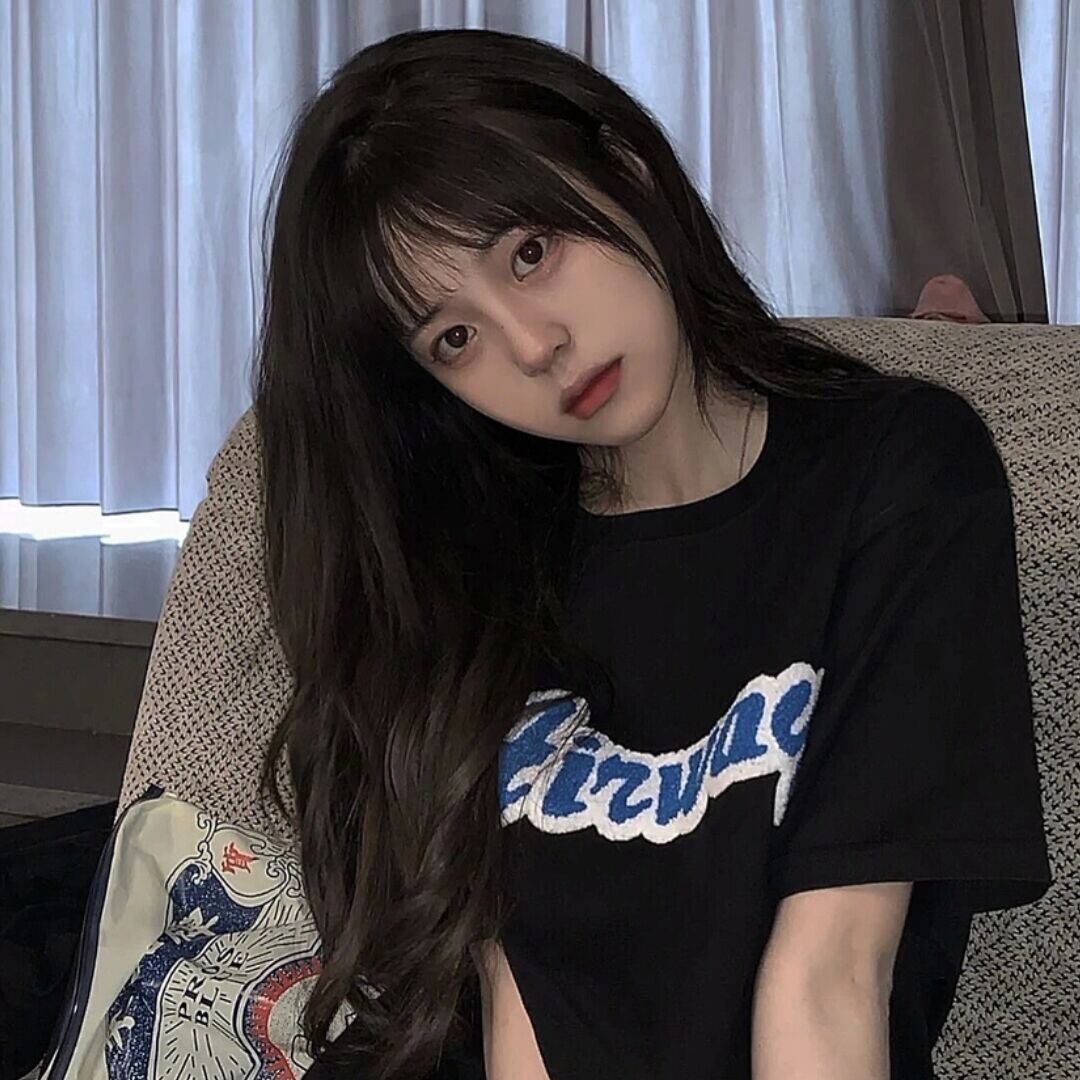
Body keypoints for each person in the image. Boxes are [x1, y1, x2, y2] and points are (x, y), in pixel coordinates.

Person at [246, 27, 1050, 1080]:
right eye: (455, 339)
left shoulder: (898, 477)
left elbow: (831, 974)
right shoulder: (472, 567)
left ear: (623, 169)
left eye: (530, 252)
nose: (534, 346)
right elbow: (515, 1012)